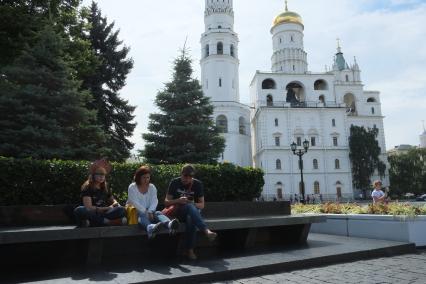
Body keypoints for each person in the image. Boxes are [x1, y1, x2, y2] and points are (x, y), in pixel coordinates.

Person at [164, 164, 217, 260]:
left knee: (190, 217)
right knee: (189, 208)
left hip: (192, 213)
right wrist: (178, 200)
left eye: (190, 176)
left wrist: (192, 203)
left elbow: (202, 205)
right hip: (178, 212)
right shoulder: (174, 182)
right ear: (181, 174)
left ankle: (190, 250)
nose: (187, 179)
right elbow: (166, 202)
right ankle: (205, 232)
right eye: (185, 176)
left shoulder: (197, 184)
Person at [127, 166, 180, 239]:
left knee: (158, 213)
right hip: (136, 213)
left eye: (148, 177)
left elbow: (154, 201)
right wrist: (146, 212)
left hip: (150, 212)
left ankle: (169, 224)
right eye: (144, 178)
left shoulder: (152, 187)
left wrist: (150, 211)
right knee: (141, 215)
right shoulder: (132, 187)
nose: (146, 180)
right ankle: (150, 228)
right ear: (138, 177)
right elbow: (134, 202)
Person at [74, 159, 126, 227]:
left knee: (121, 209)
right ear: (93, 175)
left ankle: (92, 223)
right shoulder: (87, 187)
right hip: (93, 213)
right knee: (79, 210)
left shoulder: (105, 187)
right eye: (99, 174)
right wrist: (107, 208)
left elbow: (113, 200)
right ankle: (108, 222)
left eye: (103, 174)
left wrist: (115, 204)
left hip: (104, 214)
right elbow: (89, 207)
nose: (102, 176)